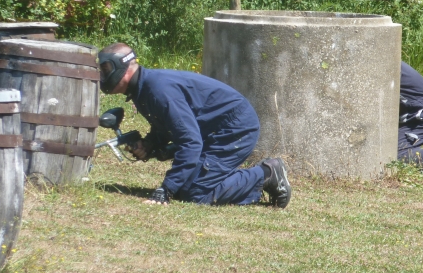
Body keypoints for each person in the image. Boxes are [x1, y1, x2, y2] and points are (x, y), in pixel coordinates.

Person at [97, 43, 291, 208]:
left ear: (124, 65)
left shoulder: (157, 90)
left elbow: (191, 142)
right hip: (213, 129)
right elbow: (168, 125)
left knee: (196, 193)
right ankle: (233, 178)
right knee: (186, 187)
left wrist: (166, 190)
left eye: (106, 70)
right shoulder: (143, 89)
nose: (103, 77)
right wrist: (150, 144)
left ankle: (266, 173)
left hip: (236, 127)